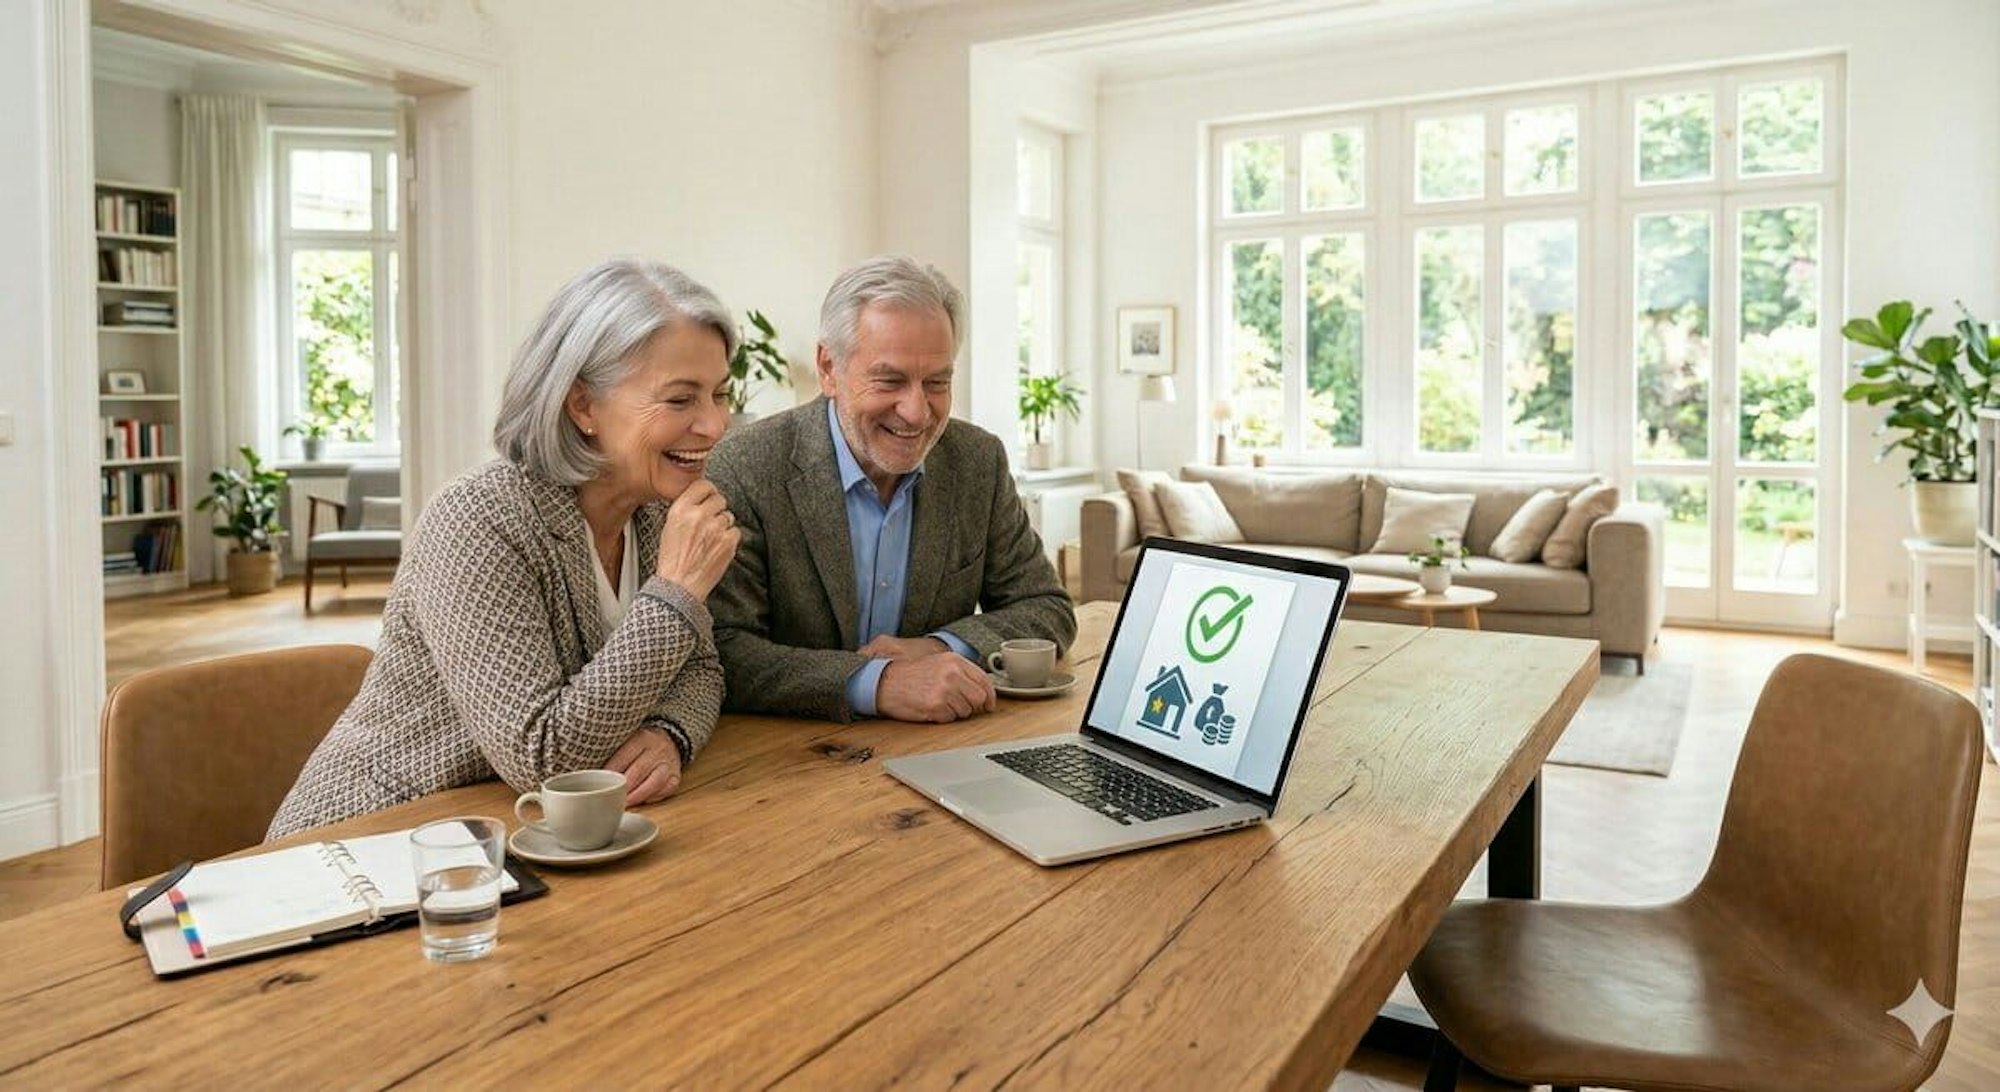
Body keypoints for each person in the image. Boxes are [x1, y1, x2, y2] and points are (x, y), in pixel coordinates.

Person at [268, 258, 742, 837]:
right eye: (680, 400)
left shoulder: (657, 508)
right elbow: (542, 757)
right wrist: (675, 592)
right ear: (583, 405)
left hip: (518, 835)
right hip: (373, 842)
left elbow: (701, 668)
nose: (714, 425)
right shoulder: (478, 519)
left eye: (719, 394)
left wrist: (669, 732)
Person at [707, 255, 1075, 724]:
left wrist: (938, 648)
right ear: (828, 368)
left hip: (942, 746)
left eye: (937, 382)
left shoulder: (977, 460)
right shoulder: (744, 467)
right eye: (890, 380)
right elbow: (724, 650)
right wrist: (877, 683)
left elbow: (1047, 607)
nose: (917, 412)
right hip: (781, 765)